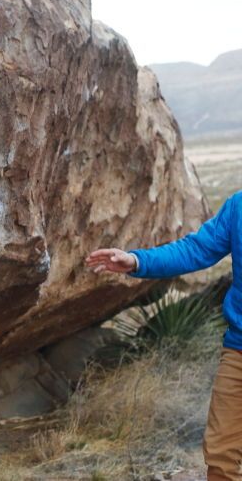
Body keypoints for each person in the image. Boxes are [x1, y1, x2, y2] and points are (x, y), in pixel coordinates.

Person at [86, 191, 242, 481]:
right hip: (239, 353)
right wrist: (136, 261)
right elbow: (195, 250)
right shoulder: (239, 206)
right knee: (221, 453)